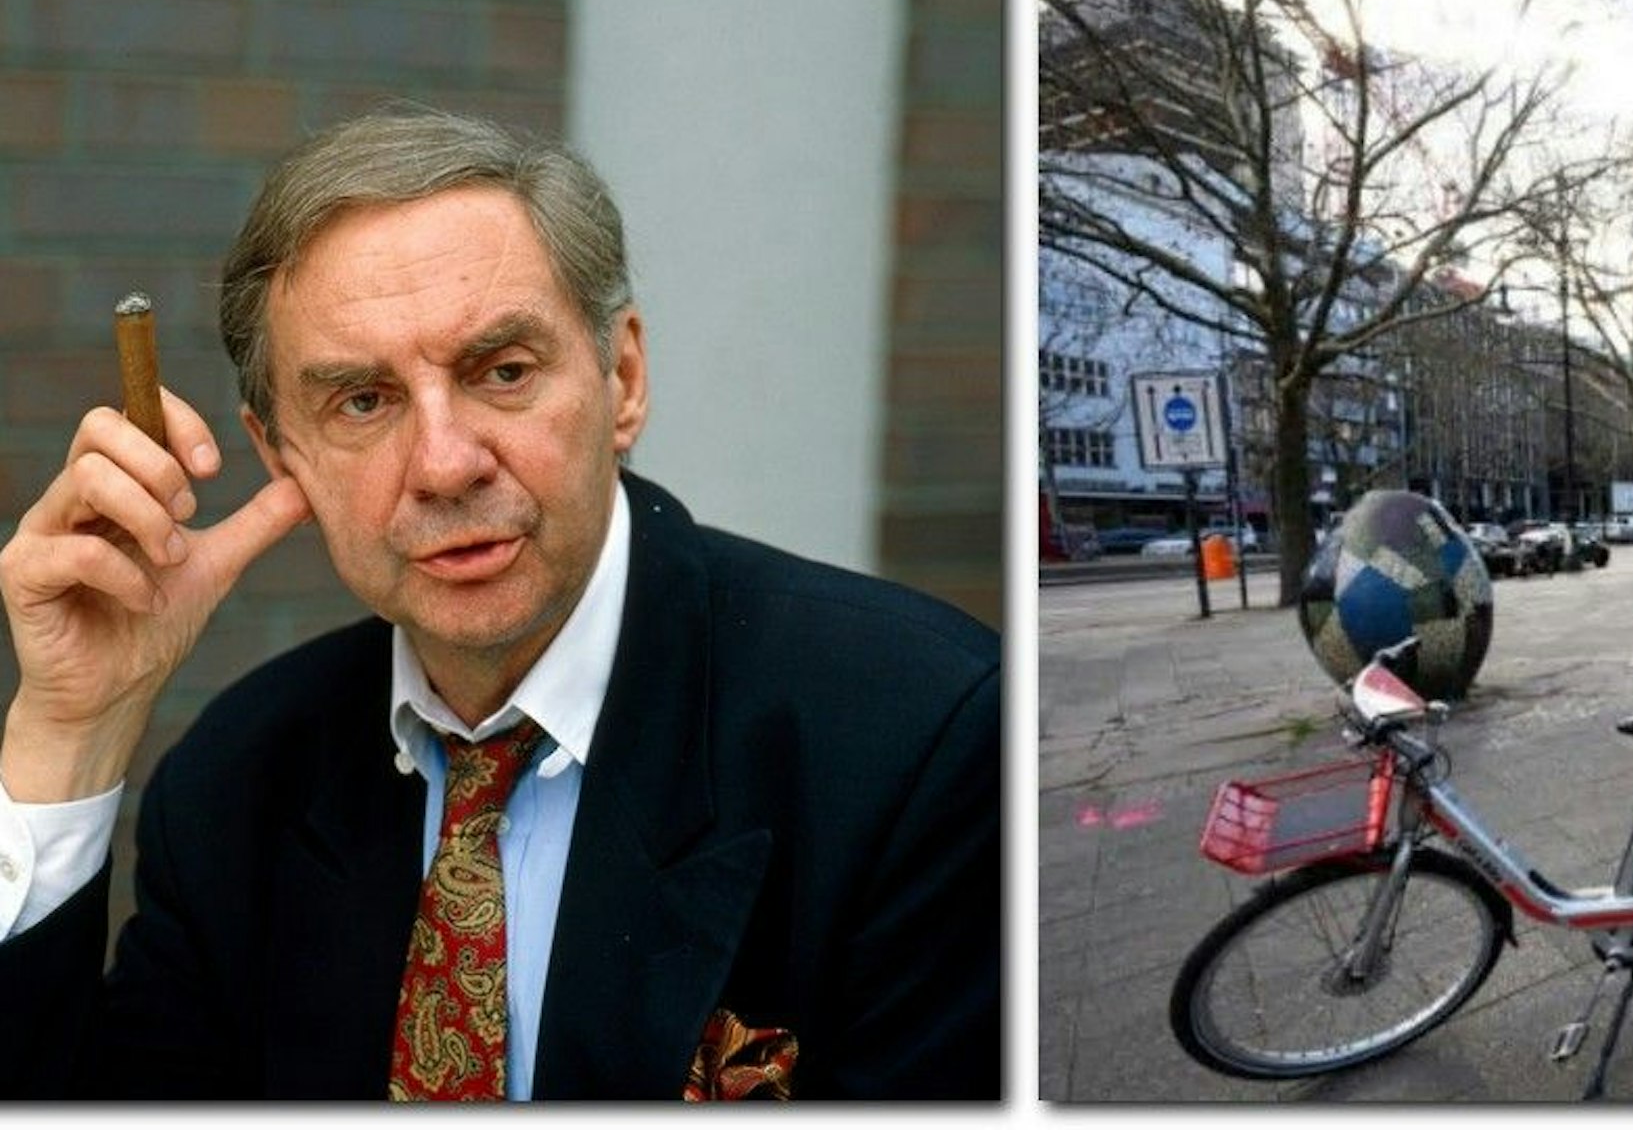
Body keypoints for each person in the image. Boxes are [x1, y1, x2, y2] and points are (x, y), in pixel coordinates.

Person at [0, 109, 999, 1099]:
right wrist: (71, 729)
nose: (443, 463)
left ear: (623, 375)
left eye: (503, 372)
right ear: (278, 453)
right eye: (362, 400)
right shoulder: (235, 782)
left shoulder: (912, 734)